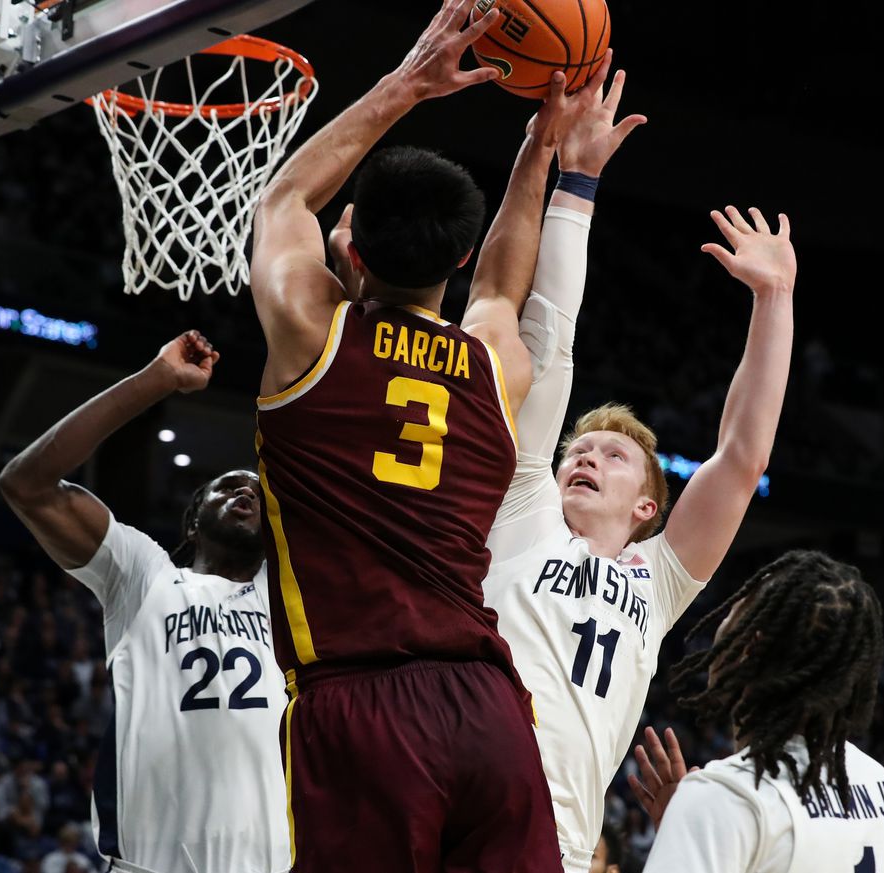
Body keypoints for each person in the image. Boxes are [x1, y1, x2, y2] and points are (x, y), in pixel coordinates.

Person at [248, 0, 577, 868]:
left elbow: (283, 195)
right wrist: (542, 142)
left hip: (365, 708)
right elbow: (506, 287)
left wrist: (407, 83)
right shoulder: (491, 365)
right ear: (455, 260)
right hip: (490, 710)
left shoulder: (310, 333)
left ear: (349, 253)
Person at [477, 73, 796, 868]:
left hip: (559, 845)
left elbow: (742, 457)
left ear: (648, 506)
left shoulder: (656, 585)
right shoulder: (521, 512)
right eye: (575, 451)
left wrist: (775, 300)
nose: (582, 454)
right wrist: (575, 186)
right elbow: (551, 345)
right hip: (456, 815)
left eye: (611, 454)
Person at [0, 331, 287, 873]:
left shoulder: (291, 593)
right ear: (194, 521)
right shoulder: (145, 576)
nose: (247, 492)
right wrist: (155, 380)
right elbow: (27, 483)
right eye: (228, 487)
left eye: (258, 490)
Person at [636, 550, 884, 873]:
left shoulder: (725, 797)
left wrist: (696, 826)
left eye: (736, 609)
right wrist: (687, 838)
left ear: (749, 647)